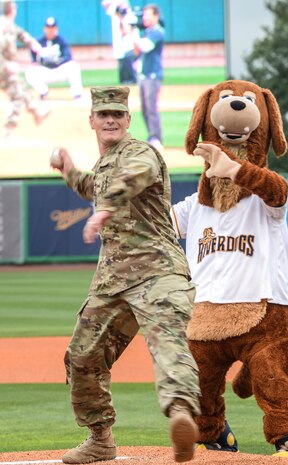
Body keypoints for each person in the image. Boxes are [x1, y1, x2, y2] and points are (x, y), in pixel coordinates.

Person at [52, 86, 201, 464]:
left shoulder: (140, 153)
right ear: (92, 121)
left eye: (118, 114)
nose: (111, 120)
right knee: (82, 356)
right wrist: (68, 169)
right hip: (113, 282)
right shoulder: (105, 164)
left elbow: (134, 177)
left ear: (128, 121)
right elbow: (94, 185)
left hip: (159, 273)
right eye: (104, 114)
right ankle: (100, 438)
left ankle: (181, 415)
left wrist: (104, 211)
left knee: (168, 343)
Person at [0, 1, 50, 138]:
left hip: (5, 69)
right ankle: (8, 130)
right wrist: (5, 65)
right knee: (17, 96)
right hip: (3, 69)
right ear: (12, 10)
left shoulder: (9, 25)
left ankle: (37, 114)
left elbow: (22, 35)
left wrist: (35, 45)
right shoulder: (2, 27)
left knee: (20, 89)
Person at [25, 16, 84, 100]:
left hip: (59, 71)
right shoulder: (39, 42)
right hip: (46, 71)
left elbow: (68, 57)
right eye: (48, 28)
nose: (50, 30)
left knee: (74, 66)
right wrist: (36, 61)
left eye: (52, 28)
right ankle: (43, 91)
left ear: (56, 28)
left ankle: (77, 93)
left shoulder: (62, 41)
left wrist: (59, 61)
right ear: (44, 28)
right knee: (29, 72)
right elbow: (33, 55)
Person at [134, 4, 165, 150]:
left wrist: (132, 32)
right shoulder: (147, 31)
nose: (145, 17)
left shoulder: (157, 32)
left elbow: (145, 47)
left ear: (156, 16)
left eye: (148, 15)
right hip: (144, 75)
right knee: (145, 108)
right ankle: (151, 136)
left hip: (153, 75)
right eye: (144, 15)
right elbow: (136, 51)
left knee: (151, 108)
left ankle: (156, 138)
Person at [101, 0, 140, 85]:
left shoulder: (130, 15)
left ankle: (134, 80)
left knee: (131, 62)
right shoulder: (115, 15)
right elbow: (104, 3)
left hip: (131, 43)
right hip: (120, 43)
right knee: (122, 62)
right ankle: (125, 80)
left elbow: (127, 30)